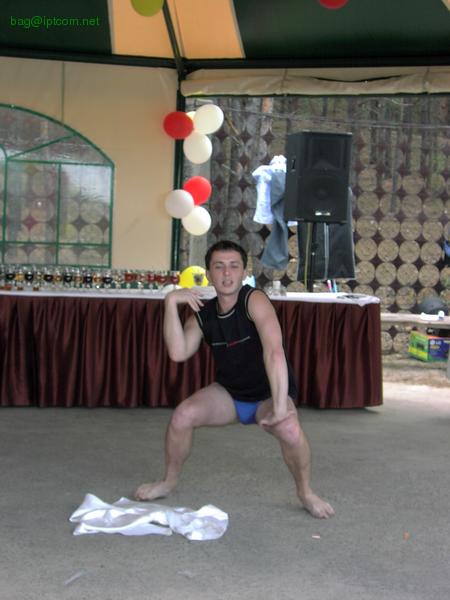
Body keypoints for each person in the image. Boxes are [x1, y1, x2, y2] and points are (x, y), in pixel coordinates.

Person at [135, 240, 334, 519]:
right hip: (230, 394)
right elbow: (178, 352)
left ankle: (305, 492)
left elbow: (274, 352)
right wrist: (170, 303)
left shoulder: (254, 300)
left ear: (244, 272)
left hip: (268, 395)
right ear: (208, 273)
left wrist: (280, 407)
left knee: (290, 429)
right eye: (219, 267)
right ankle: (168, 481)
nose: (226, 273)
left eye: (233, 266)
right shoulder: (204, 315)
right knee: (182, 417)